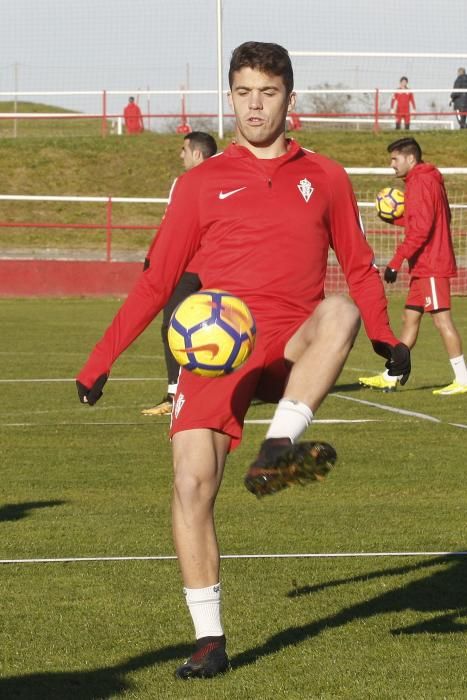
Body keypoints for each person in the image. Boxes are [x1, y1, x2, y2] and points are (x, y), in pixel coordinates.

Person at [76, 41, 410, 679]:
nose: (255, 107)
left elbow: (360, 267)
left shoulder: (328, 177)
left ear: (290, 97)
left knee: (338, 311)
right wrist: (100, 361)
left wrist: (384, 338)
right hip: (215, 347)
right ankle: (209, 639)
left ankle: (279, 446)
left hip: (291, 342)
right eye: (244, 93)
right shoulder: (200, 183)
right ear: (230, 97)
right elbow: (157, 279)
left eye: (269, 93)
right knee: (190, 485)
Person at [359, 137, 467, 395]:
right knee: (410, 319)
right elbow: (432, 220)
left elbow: (422, 229)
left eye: (395, 159)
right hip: (425, 264)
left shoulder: (420, 182)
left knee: (442, 321)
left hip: (431, 264)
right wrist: (396, 221)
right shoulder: (428, 180)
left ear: (410, 158)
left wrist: (395, 262)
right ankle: (392, 374)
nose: (392, 165)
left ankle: (462, 378)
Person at [142, 132, 218, 416]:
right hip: (190, 266)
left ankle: (183, 393)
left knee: (190, 327)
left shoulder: (218, 178)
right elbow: (171, 224)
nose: (180, 155)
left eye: (184, 149)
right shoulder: (185, 183)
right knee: (180, 325)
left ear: (197, 153)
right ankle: (180, 392)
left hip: (199, 268)